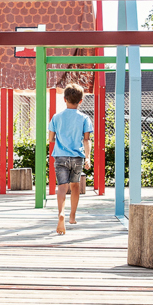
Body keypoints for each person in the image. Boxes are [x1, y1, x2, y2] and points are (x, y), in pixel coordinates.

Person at [47, 83, 93, 235]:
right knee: (75, 186)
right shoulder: (84, 118)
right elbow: (86, 140)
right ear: (80, 101)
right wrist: (88, 157)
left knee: (62, 187)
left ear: (64, 99)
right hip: (77, 157)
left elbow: (51, 138)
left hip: (60, 155)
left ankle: (61, 213)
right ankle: (72, 216)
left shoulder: (56, 117)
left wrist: (59, 138)